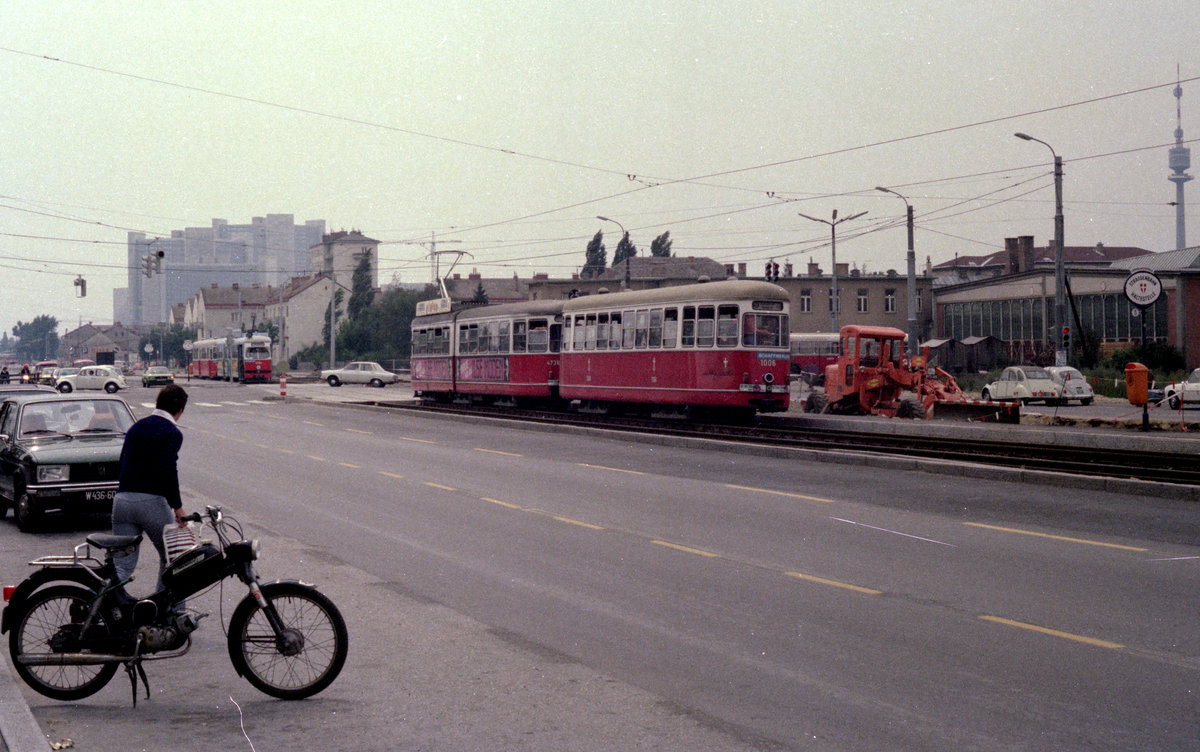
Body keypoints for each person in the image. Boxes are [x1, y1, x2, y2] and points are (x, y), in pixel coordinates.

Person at [112, 384, 189, 594]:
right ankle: (168, 612)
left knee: (122, 564)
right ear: (180, 410)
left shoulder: (136, 427)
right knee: (173, 559)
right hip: (151, 503)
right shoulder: (172, 432)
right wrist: (178, 508)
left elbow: (122, 462)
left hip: (122, 501)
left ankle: (97, 606)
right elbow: (168, 471)